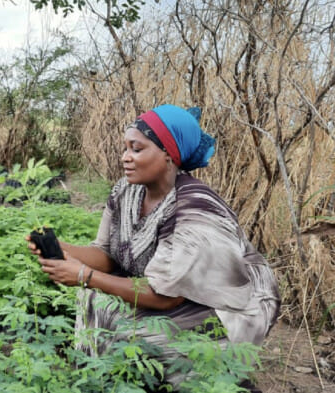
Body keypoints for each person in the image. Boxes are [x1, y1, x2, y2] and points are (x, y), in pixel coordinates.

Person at [26, 104, 280, 389]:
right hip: (171, 289)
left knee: (132, 330)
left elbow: (167, 298)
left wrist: (84, 276)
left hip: (228, 305)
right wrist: (63, 251)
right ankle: (109, 381)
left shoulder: (195, 210)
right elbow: (107, 254)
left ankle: (215, 380)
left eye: (136, 149)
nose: (125, 158)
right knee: (95, 300)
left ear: (169, 155)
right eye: (125, 148)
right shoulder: (126, 191)